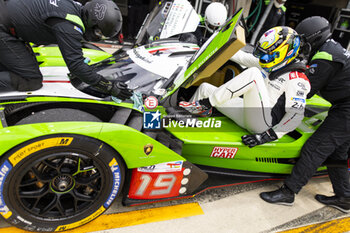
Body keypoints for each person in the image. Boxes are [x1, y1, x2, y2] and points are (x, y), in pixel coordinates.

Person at [259, 16, 350, 213]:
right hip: (344, 105)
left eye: (304, 42)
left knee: (315, 148)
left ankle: (288, 192)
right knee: (337, 153)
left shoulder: (326, 58)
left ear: (314, 39)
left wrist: (269, 119)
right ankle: (344, 197)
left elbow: (302, 92)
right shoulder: (328, 48)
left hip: (347, 109)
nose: (301, 46)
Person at [180, 26, 310, 147]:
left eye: (268, 53)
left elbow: (296, 116)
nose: (263, 58)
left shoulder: (297, 79)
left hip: (264, 126)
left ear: (284, 52)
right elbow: (239, 56)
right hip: (249, 114)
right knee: (205, 88)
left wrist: (267, 136)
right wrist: (208, 43)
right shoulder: (269, 63)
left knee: (253, 74)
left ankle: (205, 104)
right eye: (262, 53)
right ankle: (182, 124)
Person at [0, 0, 132, 100]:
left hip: (7, 20)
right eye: (99, 34)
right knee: (31, 80)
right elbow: (76, 66)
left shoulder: (73, 7)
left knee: (13, 69)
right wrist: (109, 86)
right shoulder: (70, 25)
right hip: (4, 28)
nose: (98, 38)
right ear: (93, 24)